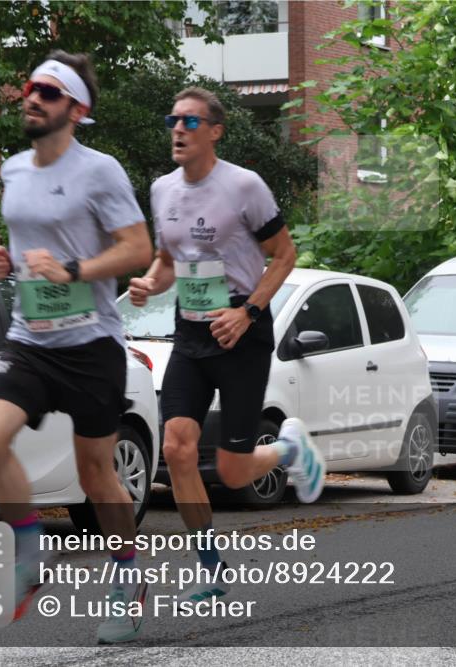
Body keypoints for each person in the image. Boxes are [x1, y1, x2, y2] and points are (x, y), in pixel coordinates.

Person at [0, 51, 153, 644]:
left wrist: (73, 270)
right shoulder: (13, 169)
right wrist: (4, 262)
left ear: (76, 109)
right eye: (31, 87)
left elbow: (138, 250)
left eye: (48, 92)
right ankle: (30, 549)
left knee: (96, 476)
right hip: (31, 340)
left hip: (91, 343)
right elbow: (27, 245)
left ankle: (127, 577)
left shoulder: (100, 171)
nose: (32, 97)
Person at [127, 87, 325, 602]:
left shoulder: (243, 186)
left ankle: (288, 448)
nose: (178, 129)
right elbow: (167, 262)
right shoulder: (162, 190)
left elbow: (284, 254)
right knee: (177, 447)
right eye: (173, 120)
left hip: (241, 331)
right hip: (191, 332)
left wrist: (247, 311)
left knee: (234, 473)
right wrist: (149, 283)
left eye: (190, 122)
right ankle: (211, 569)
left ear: (215, 131)